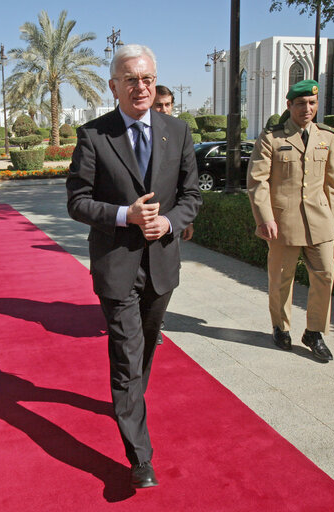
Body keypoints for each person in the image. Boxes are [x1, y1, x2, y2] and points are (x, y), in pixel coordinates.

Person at [67, 45, 200, 489]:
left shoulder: (177, 131)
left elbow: (191, 196)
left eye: (146, 78)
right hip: (116, 266)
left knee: (145, 343)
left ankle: (129, 397)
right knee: (126, 356)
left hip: (162, 265)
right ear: (113, 86)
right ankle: (139, 457)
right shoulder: (93, 136)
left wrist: (168, 221)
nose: (140, 87)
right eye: (130, 79)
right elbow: (77, 202)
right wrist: (125, 215)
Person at [247, 79, 334, 362]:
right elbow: (257, 181)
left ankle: (314, 332)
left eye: (312, 103)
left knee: (325, 275)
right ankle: (281, 327)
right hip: (283, 223)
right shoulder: (272, 138)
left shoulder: (327, 137)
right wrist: (265, 218)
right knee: (280, 280)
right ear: (290, 105)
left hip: (320, 221)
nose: (307, 108)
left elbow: (332, 184)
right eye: (301, 103)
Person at [153, 86, 194, 242]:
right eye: (159, 105)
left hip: (169, 221)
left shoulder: (180, 133)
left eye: (168, 104)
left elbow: (186, 183)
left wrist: (185, 219)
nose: (164, 110)